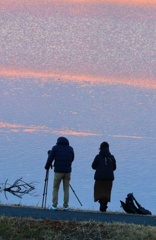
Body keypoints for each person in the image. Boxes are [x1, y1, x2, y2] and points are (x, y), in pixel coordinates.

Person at [45, 136, 74, 211]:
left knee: (55, 188)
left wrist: (46, 167)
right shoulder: (70, 148)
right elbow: (72, 158)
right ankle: (66, 206)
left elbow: (50, 158)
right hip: (67, 171)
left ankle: (54, 205)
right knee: (66, 188)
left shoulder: (55, 148)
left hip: (58, 171)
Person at [91, 142, 116, 212]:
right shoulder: (111, 157)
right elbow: (114, 168)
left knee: (99, 191)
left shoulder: (98, 157)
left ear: (100, 148)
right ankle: (104, 203)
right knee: (106, 192)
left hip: (99, 178)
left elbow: (93, 166)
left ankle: (101, 202)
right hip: (109, 178)